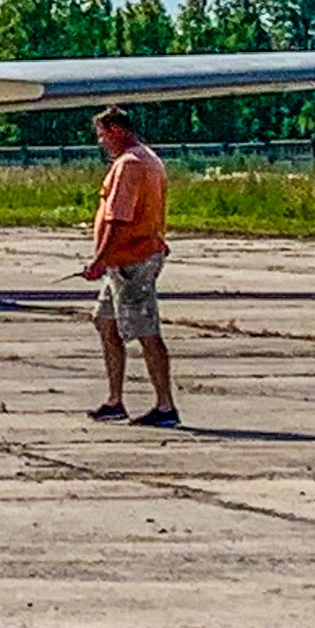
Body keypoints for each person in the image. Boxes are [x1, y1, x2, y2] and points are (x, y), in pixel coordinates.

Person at [83, 105, 177, 426]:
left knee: (146, 331)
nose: (100, 142)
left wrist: (98, 259)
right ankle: (115, 401)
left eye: (103, 134)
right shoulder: (149, 158)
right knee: (105, 323)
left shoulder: (129, 166)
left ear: (117, 130)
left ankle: (165, 406)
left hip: (131, 262)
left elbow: (118, 219)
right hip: (124, 261)